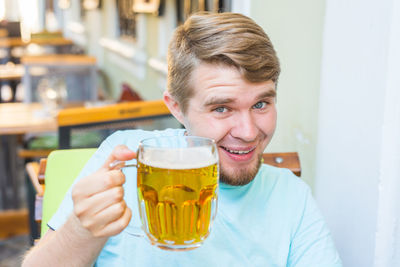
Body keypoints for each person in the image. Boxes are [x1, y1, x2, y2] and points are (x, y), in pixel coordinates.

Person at [23, 12, 342, 266]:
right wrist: (80, 229)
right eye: (221, 108)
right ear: (176, 107)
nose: (247, 131)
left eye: (261, 104)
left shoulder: (292, 197)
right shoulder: (125, 160)